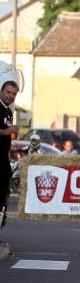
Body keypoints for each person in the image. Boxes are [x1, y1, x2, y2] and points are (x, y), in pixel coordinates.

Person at [0, 80, 20, 219]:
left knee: (2, 199)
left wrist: (10, 147)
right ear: (1, 91)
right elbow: (4, 131)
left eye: (13, 94)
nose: (10, 96)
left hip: (4, 160)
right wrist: (8, 131)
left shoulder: (8, 111)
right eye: (8, 92)